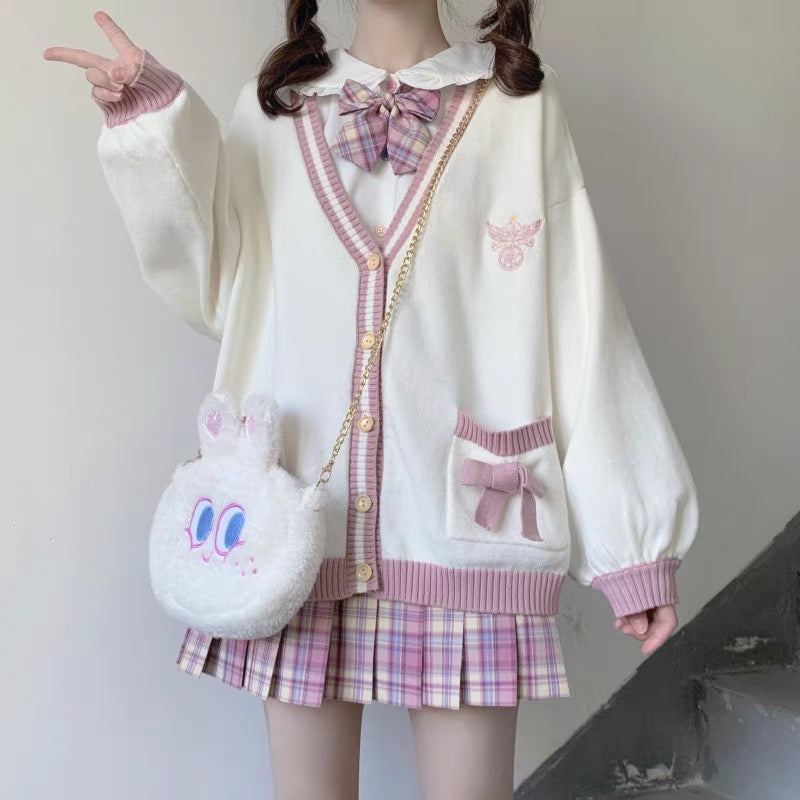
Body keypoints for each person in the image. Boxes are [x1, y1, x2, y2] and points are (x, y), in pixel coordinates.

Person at [43, 2, 699, 797]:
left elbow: (583, 318)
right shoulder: (276, 109)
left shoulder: (521, 106)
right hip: (296, 537)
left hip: (464, 535)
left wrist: (634, 548)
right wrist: (154, 126)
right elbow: (214, 284)